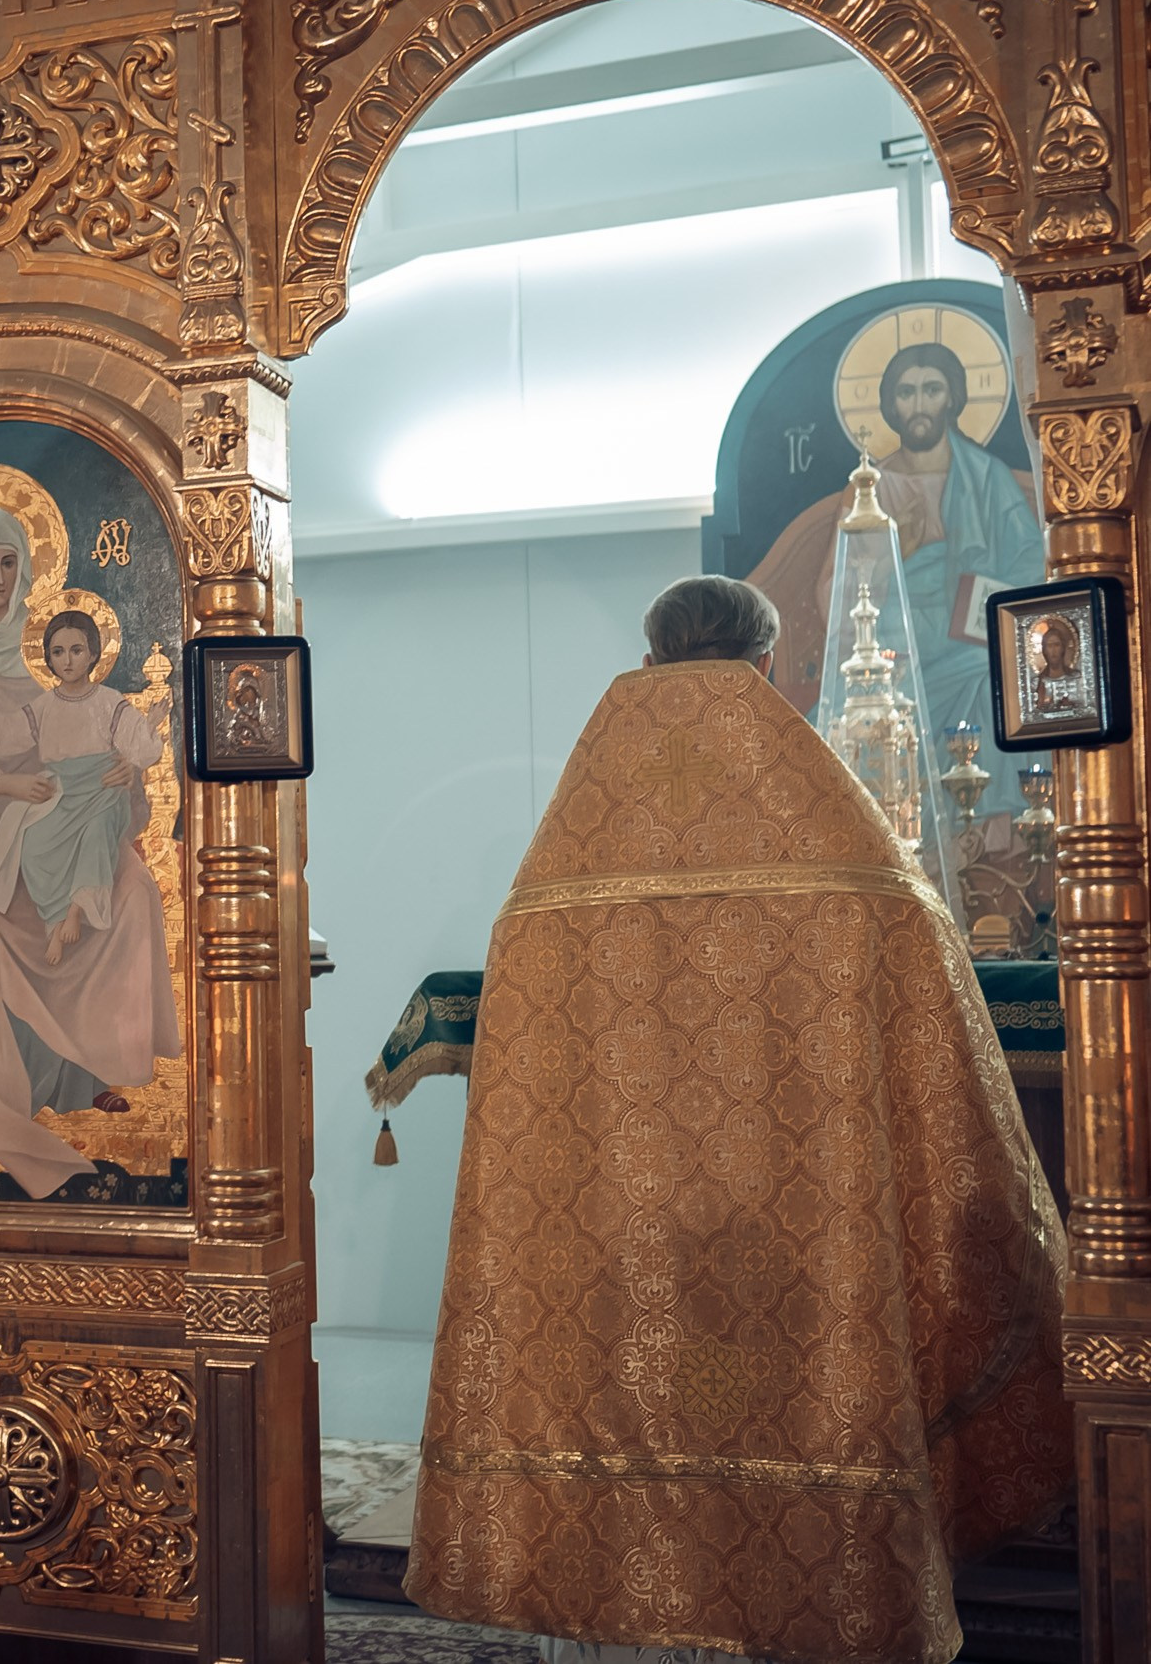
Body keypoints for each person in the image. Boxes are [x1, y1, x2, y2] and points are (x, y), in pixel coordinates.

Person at [406, 575, 1069, 1664]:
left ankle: (624, 1612)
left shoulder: (563, 865)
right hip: (808, 1230)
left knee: (627, 1401)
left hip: (623, 1231)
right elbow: (926, 995)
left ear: (651, 656)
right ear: (767, 665)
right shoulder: (841, 847)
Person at [0, 507, 181, 1196]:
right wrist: (0, 781)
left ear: (25, 566)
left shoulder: (44, 653)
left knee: (135, 891)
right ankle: (29, 1080)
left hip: (59, 817)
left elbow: (88, 735)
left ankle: (96, 1067)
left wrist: (122, 770)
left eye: (8, 562)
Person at [748, 340, 1044, 814]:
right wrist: (893, 556)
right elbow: (834, 592)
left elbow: (1033, 570)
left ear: (953, 398)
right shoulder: (869, 487)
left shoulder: (987, 479)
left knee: (993, 678)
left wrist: (983, 600)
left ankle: (990, 831)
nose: (920, 404)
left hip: (970, 641)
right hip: (893, 647)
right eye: (907, 393)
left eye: (932, 390)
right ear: (890, 404)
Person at [0, 609, 171, 974]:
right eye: (58, 652)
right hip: (61, 793)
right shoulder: (45, 705)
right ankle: (54, 919)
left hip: (102, 792)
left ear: (92, 654)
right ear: (48, 659)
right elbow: (10, 733)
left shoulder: (108, 701)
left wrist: (148, 728)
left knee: (95, 835)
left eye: (76, 650)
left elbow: (138, 745)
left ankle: (75, 912)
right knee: (34, 845)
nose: (67, 660)